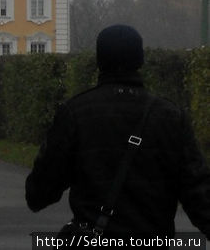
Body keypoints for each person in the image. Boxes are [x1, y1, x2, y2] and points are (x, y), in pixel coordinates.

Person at [26, 24, 210, 240]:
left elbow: (39, 194)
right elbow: (198, 193)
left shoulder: (76, 113)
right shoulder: (170, 117)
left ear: (98, 61)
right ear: (140, 60)